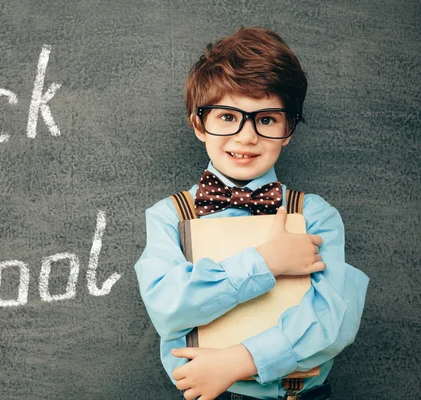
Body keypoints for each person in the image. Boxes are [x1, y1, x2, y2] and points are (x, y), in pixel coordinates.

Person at [133, 27, 369, 400]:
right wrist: (265, 262)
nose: (246, 137)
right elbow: (169, 307)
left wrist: (238, 361)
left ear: (288, 129)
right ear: (198, 124)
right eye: (227, 116)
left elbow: (333, 318)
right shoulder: (169, 216)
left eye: (266, 119)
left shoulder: (315, 215)